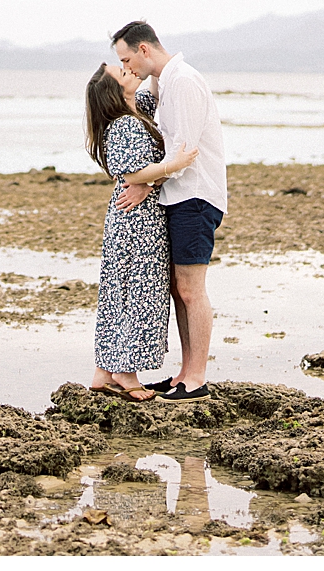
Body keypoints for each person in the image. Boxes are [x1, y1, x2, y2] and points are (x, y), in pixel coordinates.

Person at [112, 20, 227, 402]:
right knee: (180, 290)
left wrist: (147, 182)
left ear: (144, 49)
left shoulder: (185, 81)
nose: (127, 69)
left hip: (195, 197)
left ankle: (197, 379)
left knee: (192, 291)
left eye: (127, 59)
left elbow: (185, 150)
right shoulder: (168, 81)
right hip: (178, 197)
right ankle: (184, 373)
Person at [83, 61, 200, 402]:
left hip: (137, 216)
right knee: (139, 292)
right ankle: (124, 373)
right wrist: (172, 167)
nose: (128, 70)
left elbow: (155, 85)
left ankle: (103, 372)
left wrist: (149, 59)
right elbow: (131, 173)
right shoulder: (123, 124)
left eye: (126, 64)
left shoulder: (141, 109)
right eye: (122, 73)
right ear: (114, 91)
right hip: (136, 222)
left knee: (120, 293)